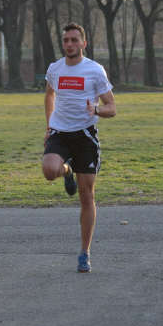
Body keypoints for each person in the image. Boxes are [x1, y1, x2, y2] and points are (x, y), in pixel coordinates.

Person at [41, 23, 116, 273]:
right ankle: (67, 170)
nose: (70, 44)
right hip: (60, 133)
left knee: (87, 196)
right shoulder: (55, 69)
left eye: (74, 40)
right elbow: (49, 94)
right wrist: (49, 125)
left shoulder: (94, 70)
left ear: (84, 43)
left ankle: (85, 252)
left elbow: (112, 108)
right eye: (66, 40)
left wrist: (96, 110)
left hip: (85, 136)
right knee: (49, 170)